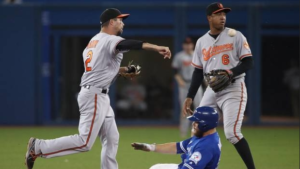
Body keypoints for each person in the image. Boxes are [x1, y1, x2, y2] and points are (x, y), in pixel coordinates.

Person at [25, 8, 171, 169]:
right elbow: (130, 43)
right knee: (85, 142)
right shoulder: (109, 39)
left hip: (97, 94)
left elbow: (102, 70)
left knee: (112, 137)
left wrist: (125, 71)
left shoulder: (93, 42)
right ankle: (39, 146)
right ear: (111, 22)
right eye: (119, 19)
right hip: (94, 95)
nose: (122, 23)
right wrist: (156, 47)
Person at [182, 2, 255, 169]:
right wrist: (190, 96)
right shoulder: (201, 42)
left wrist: (231, 72)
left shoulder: (235, 36)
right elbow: (198, 72)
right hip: (212, 88)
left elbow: (248, 62)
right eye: (218, 14)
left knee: (232, 134)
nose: (223, 17)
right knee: (199, 127)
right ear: (209, 17)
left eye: (224, 14)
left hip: (233, 87)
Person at [131, 106, 221, 169]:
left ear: (205, 125)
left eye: (196, 122)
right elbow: (177, 147)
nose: (193, 124)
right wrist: (151, 147)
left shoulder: (207, 146)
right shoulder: (203, 136)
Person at [172, 37, 204, 138]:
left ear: (192, 45)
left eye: (189, 44)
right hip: (184, 84)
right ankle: (183, 132)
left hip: (196, 84)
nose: (187, 46)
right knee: (184, 107)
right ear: (183, 45)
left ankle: (199, 130)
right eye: (186, 44)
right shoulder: (179, 56)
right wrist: (180, 81)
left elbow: (203, 70)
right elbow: (175, 72)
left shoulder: (198, 55)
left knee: (199, 107)